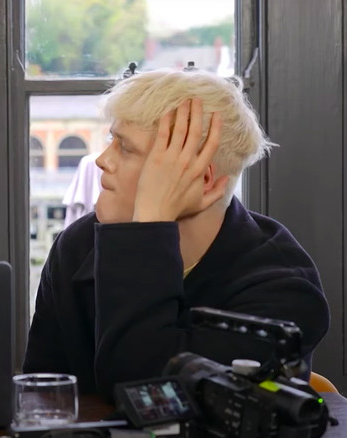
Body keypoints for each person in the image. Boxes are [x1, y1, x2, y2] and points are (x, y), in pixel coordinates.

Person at [23, 69, 330, 398]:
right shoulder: (77, 247)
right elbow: (41, 398)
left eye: (126, 149)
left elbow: (147, 392)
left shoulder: (283, 290)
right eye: (112, 140)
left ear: (204, 181)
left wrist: (149, 226)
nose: (101, 161)